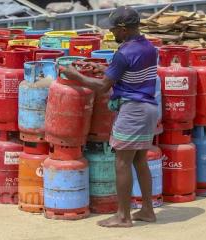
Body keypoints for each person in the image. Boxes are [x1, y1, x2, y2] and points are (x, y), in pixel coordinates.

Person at [61, 6, 158, 228]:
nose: (111, 33)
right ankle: (147, 210)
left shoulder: (123, 53)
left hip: (133, 110)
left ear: (123, 29)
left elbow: (103, 87)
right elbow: (127, 72)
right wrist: (103, 67)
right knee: (140, 160)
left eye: (113, 29)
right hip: (149, 109)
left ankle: (123, 216)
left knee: (122, 163)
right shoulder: (148, 47)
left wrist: (75, 76)